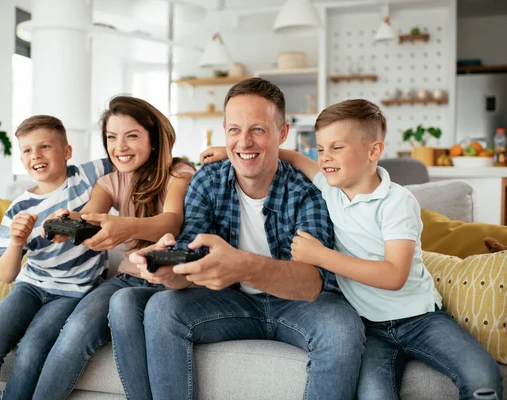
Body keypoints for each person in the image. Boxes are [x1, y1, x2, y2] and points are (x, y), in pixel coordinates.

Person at [205, 98, 503, 399]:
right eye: (321, 149)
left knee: (483, 379)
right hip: (369, 330)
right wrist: (232, 154)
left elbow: (394, 275)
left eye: (337, 148)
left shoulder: (396, 202)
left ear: (373, 151)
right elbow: (293, 157)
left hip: (420, 319)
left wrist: (323, 256)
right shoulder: (326, 188)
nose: (325, 158)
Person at [112, 77, 366, 400]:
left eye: (257, 130)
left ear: (282, 133)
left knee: (343, 327)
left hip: (297, 305)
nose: (243, 142)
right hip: (231, 303)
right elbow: (191, 254)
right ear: (224, 131)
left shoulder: (307, 191)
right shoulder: (207, 181)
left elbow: (312, 282)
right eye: (234, 130)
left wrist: (242, 266)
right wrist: (168, 272)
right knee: (161, 308)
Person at [30, 96, 195, 399]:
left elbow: (171, 221)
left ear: (154, 139)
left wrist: (126, 227)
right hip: (126, 277)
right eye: (111, 137)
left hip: (169, 279)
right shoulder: (109, 182)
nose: (119, 147)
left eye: (132, 136)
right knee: (74, 332)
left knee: (121, 307)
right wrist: (68, 221)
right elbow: (90, 216)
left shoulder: (179, 173)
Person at [0, 115, 112, 400]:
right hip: (31, 287)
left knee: (32, 350)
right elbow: (5, 275)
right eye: (28, 150)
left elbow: (130, 158)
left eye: (45, 146)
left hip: (72, 293)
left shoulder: (86, 175)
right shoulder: (19, 207)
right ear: (22, 160)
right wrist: (17, 242)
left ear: (67, 152)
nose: (36, 155)